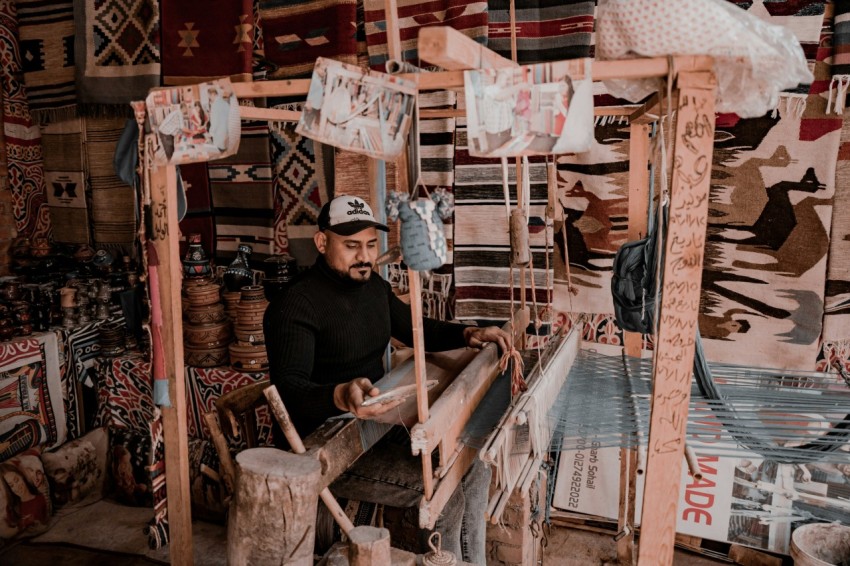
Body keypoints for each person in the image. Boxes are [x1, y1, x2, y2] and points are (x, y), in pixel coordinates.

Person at [264, 195, 510, 563]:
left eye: (369, 244)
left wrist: (467, 333)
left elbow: (416, 330)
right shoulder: (295, 305)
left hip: (374, 422)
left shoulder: (373, 287)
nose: (364, 256)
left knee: (473, 465)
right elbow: (290, 392)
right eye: (351, 246)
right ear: (322, 242)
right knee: (447, 493)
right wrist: (340, 395)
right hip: (324, 447)